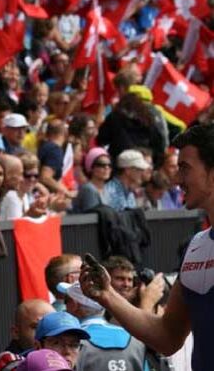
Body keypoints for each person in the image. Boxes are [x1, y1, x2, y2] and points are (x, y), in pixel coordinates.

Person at [80, 123, 214, 371]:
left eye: (184, 168)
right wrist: (107, 296)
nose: (176, 179)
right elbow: (167, 337)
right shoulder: (196, 246)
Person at [58, 281, 148, 371]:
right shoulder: (135, 339)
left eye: (66, 301)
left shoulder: (70, 343)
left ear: (74, 305)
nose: (65, 307)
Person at [71, 147, 111, 213]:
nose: (107, 168)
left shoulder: (106, 189)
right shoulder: (89, 189)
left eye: (109, 165)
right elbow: (92, 218)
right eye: (101, 165)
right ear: (91, 168)